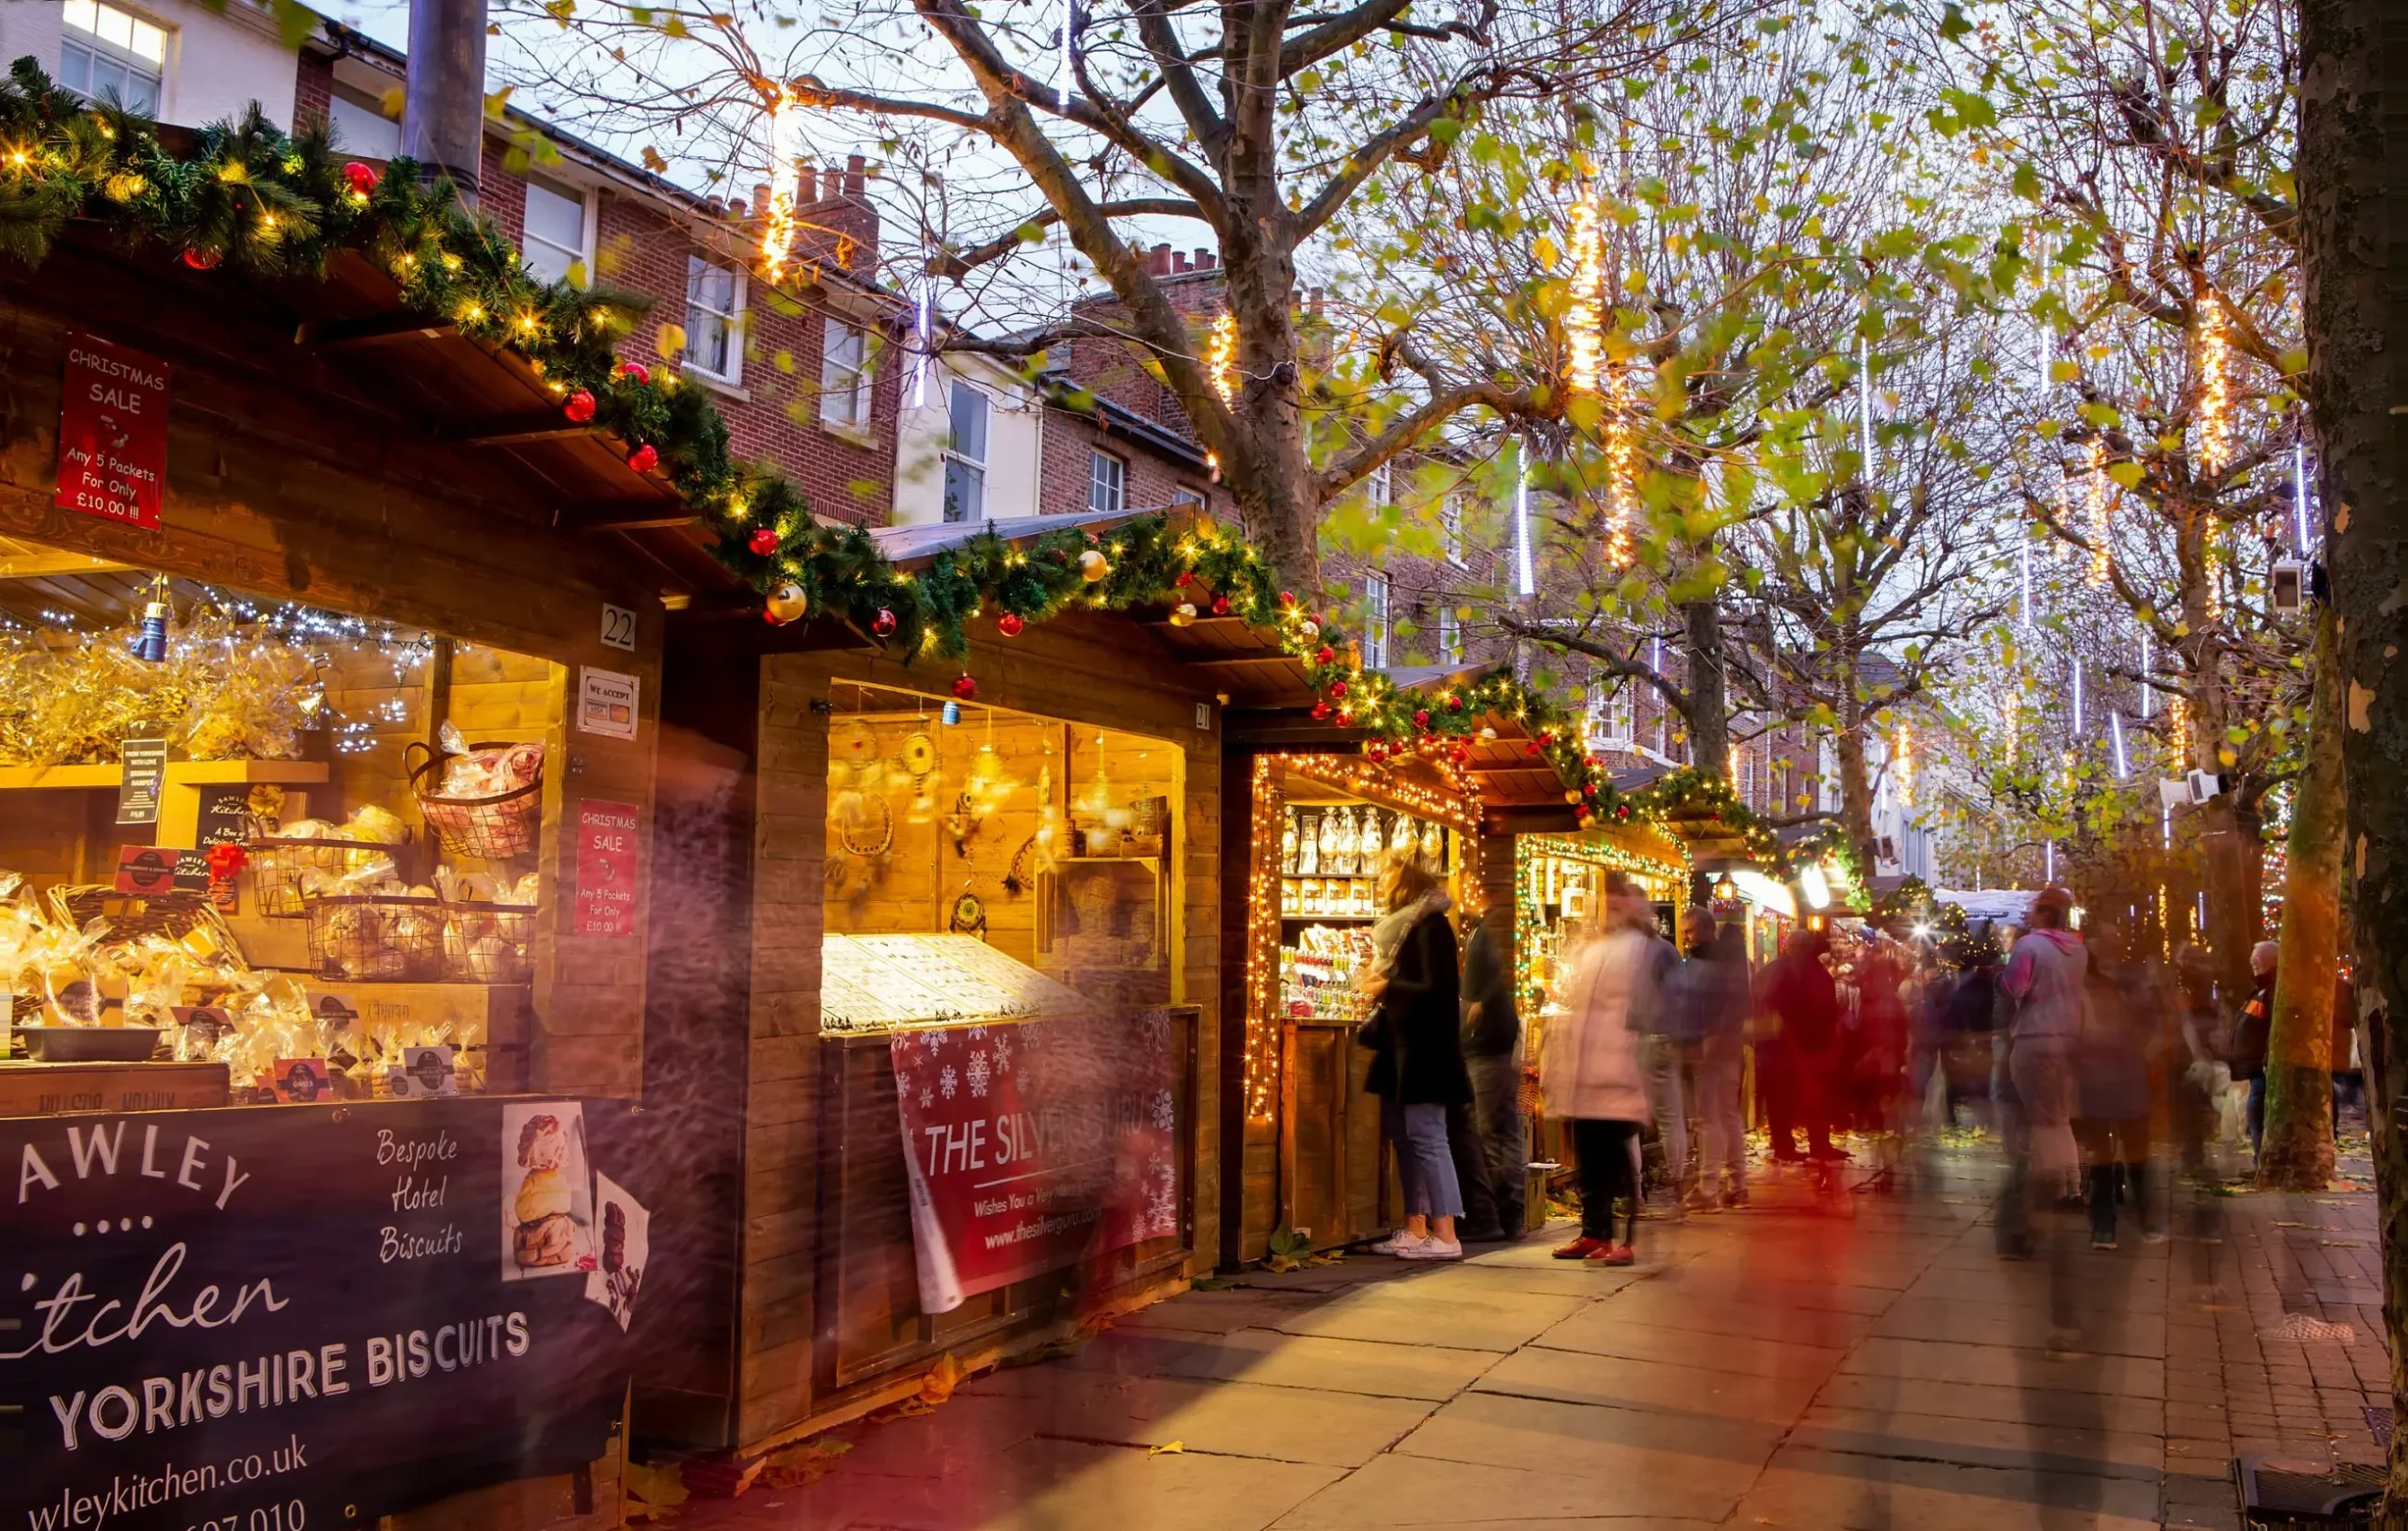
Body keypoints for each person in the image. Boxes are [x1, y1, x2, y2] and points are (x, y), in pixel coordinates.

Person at [1540, 872, 1661, 1267]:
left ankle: (1626, 1237)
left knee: (1620, 1157)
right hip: (1587, 1069)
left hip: (1619, 1066)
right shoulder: (1596, 949)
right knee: (1591, 1155)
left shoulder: (1642, 949)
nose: (1611, 907)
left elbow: (1649, 1006)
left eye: (1618, 900)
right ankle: (1594, 1231)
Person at [1359, 856, 1472, 1260]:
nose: (1379, 884)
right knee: (1406, 1138)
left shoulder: (1430, 928)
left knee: (1427, 1137)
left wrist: (1386, 985)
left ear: (1405, 884)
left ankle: (1446, 1235)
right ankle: (1416, 1226)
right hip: (1403, 1050)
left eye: (1385, 877)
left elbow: (1434, 988)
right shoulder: (1406, 929)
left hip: (1425, 1051)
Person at [1999, 886, 2086, 1338]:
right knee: (2062, 1115)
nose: (2028, 915)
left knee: (2041, 1119)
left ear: (2042, 913)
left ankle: (2052, 1183)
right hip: (2068, 1038)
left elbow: (2015, 987)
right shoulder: (2078, 950)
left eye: (2032, 909)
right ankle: (2072, 1180)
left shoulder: (2030, 947)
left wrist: (2008, 964)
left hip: (2033, 1040)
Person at [2076, 923, 2162, 1249]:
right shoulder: (2109, 986)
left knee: (2121, 1156)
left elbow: (2153, 1028)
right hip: (2109, 1080)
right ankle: (2120, 1224)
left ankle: (2116, 1225)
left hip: (2118, 1080)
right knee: (2114, 1157)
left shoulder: (2121, 985)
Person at [1670, 908, 1752, 1209]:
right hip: (1729, 1047)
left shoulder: (1703, 962)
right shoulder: (1730, 959)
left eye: (1689, 931)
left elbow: (1696, 1005)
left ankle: (1708, 1189)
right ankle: (1738, 1186)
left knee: (1709, 1119)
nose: (1686, 938)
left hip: (1709, 1047)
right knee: (1729, 1116)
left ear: (1704, 929)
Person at [1459, 901, 1525, 1238]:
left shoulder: (1483, 938)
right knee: (1505, 1130)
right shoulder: (1483, 937)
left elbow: (1485, 989)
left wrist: (1476, 1006)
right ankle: (1512, 1214)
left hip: (1488, 1048)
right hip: (1500, 1046)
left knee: (1487, 1132)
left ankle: (1492, 1216)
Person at [1761, 925, 1846, 1160]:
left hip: (1778, 1048)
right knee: (1813, 1099)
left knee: (1783, 1100)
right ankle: (1815, 1145)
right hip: (1805, 1047)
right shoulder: (1813, 973)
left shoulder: (1773, 970)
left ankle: (1786, 1146)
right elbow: (1825, 1012)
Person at [2230, 940, 2278, 1159]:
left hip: (2262, 1066)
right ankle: (2260, 1160)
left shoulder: (2273, 989)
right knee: (2254, 1116)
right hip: (2255, 1067)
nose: (2254, 965)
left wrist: (2267, 1058)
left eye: (2258, 961)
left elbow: (2273, 1027)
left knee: (2257, 1115)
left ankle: (2262, 1161)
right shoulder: (2259, 990)